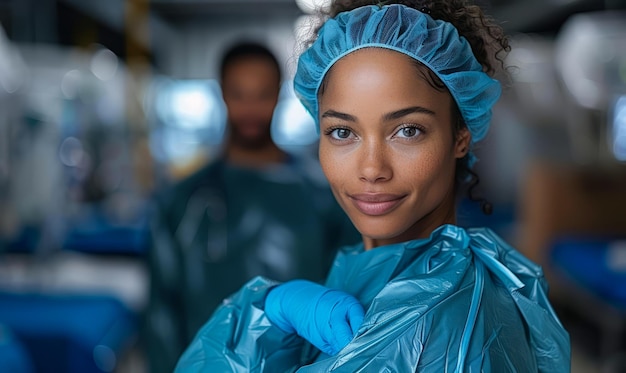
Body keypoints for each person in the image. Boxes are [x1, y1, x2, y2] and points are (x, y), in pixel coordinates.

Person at [174, 2, 571, 372]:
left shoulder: (445, 324)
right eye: (343, 131)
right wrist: (268, 313)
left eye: (407, 130)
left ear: (461, 135)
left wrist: (256, 318)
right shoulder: (366, 273)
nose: (371, 168)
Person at [145, 41, 360, 373]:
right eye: (239, 94)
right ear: (221, 94)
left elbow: (351, 287)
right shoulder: (180, 202)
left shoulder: (324, 196)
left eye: (261, 94)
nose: (250, 108)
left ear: (278, 94)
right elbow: (161, 312)